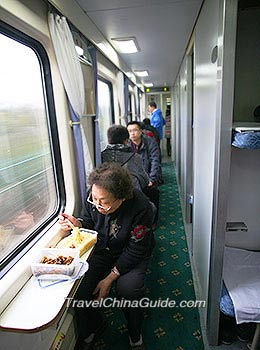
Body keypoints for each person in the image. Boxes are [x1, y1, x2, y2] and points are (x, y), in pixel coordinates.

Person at [59, 163, 155, 350]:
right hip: (103, 249)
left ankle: (135, 335)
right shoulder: (94, 195)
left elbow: (136, 249)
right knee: (80, 286)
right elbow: (88, 221)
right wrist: (76, 223)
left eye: (103, 202)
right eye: (94, 199)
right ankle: (94, 326)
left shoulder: (141, 206)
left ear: (122, 198)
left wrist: (109, 279)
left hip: (131, 252)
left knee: (128, 289)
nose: (97, 204)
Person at [127, 121, 160, 224]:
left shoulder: (150, 142)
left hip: (148, 176)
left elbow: (155, 160)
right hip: (133, 179)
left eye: (135, 130)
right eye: (130, 131)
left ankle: (153, 220)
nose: (132, 133)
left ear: (141, 131)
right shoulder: (126, 145)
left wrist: (152, 178)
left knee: (153, 195)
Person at [101, 125, 150, 191]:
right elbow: (144, 179)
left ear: (108, 140)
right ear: (126, 141)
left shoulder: (101, 156)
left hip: (109, 195)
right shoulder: (135, 157)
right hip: (131, 195)